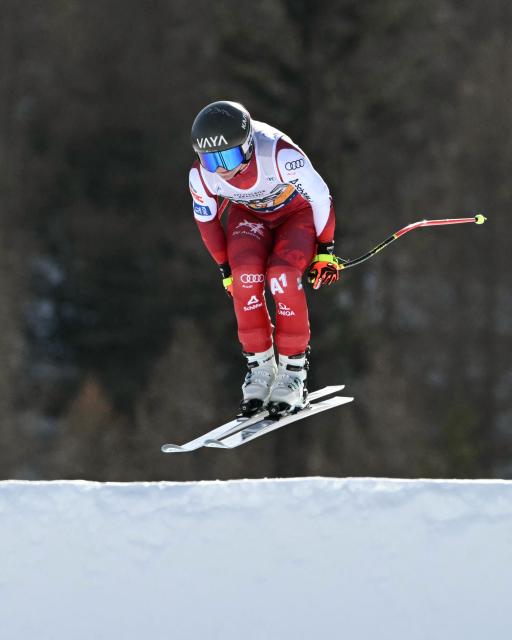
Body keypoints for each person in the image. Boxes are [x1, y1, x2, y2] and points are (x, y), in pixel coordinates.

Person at [189, 101, 343, 416]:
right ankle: (260, 370)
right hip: (249, 217)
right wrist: (225, 268)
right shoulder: (201, 176)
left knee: (282, 278)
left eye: (228, 157)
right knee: (245, 278)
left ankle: (292, 375)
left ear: (246, 145)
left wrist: (325, 250)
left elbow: (320, 196)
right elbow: (206, 221)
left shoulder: (279, 155)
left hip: (295, 215)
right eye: (210, 160)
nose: (221, 170)